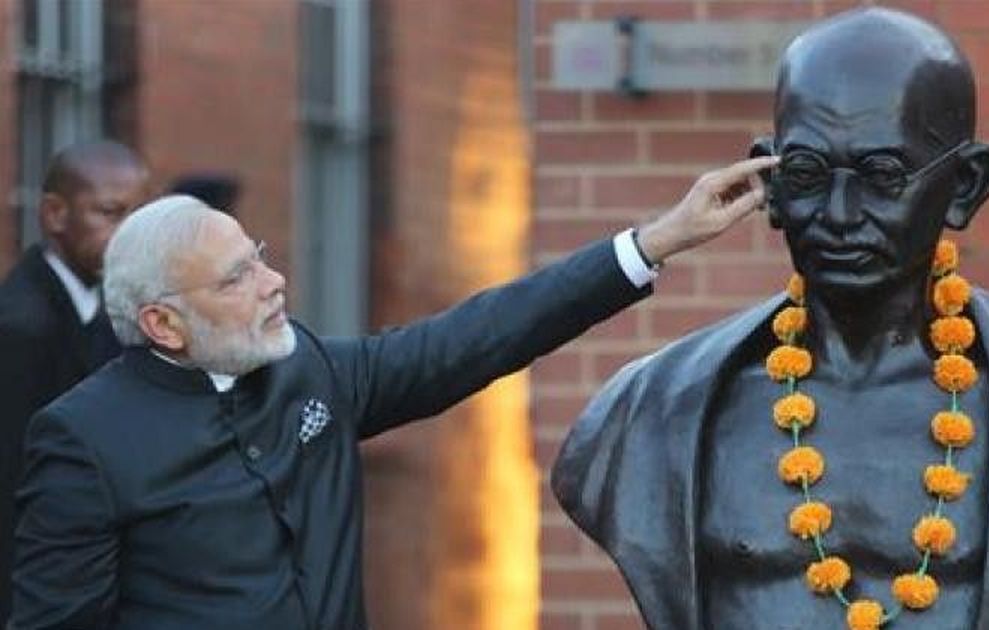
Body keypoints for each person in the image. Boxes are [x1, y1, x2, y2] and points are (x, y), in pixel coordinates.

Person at [552, 8, 989, 630]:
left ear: (967, 186)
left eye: (882, 175)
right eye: (805, 172)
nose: (837, 212)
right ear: (769, 187)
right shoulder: (647, 414)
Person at [7, 154, 777, 629]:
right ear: (162, 324)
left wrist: (657, 241)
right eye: (237, 277)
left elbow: (471, 340)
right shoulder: (84, 440)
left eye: (260, 256)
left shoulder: (305, 367)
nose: (274, 283)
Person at [0, 141, 149, 624]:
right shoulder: (21, 326)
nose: (128, 234)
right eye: (110, 213)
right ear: (54, 214)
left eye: (139, 217)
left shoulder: (104, 308)